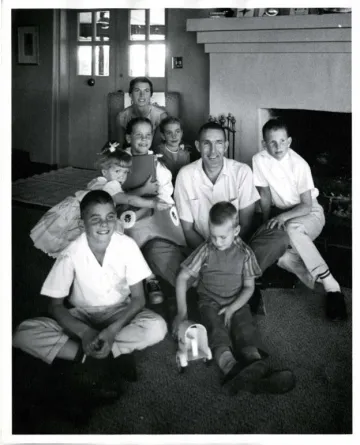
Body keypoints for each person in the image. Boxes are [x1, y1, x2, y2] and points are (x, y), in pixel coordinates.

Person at [13, 190, 168, 420]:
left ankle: (90, 354)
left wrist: (111, 331)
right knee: (23, 333)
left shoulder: (127, 246)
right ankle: (96, 356)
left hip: (119, 313)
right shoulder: (71, 252)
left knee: (157, 327)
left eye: (110, 216)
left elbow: (138, 299)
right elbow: (55, 305)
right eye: (95, 218)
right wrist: (85, 333)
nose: (104, 224)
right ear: (82, 221)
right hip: (81, 316)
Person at [143, 122, 290, 313]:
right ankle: (235, 287)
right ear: (197, 146)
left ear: (226, 146)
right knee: (154, 249)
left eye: (219, 143)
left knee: (278, 236)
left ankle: (211, 286)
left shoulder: (242, 172)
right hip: (199, 252)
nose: (213, 150)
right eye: (207, 143)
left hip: (237, 251)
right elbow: (187, 229)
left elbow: (245, 224)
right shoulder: (185, 175)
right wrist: (210, 255)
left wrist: (228, 256)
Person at [173, 202, 295, 395]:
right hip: (209, 302)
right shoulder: (206, 249)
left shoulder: (245, 253)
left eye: (222, 237)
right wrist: (182, 313)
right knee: (216, 330)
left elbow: (248, 287)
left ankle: (256, 366)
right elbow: (182, 277)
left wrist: (232, 308)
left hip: (236, 301)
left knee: (245, 327)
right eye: (213, 236)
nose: (217, 242)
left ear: (236, 230)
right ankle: (231, 368)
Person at [30, 141, 170, 303]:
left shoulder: (101, 181)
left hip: (80, 215)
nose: (121, 176)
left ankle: (78, 279)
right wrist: (153, 203)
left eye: (125, 173)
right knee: (101, 245)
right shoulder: (111, 185)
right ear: (105, 171)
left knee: (81, 247)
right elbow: (126, 197)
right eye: (117, 171)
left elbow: (119, 195)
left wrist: (143, 190)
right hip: (86, 218)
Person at [252, 118, 347, 321]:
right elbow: (265, 194)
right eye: (272, 142)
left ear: (289, 141)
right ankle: (317, 278)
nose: (278, 147)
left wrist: (282, 217)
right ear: (264, 143)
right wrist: (266, 223)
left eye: (282, 141)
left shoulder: (299, 164)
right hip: (283, 216)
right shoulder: (258, 160)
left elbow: (306, 205)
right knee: (280, 256)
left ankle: (331, 285)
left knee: (294, 229)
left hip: (309, 213)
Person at [116, 77, 168, 149]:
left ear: (151, 95)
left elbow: (157, 147)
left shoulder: (161, 116)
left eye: (146, 91)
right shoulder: (122, 116)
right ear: (130, 95)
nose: (142, 95)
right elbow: (119, 146)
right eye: (137, 90)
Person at [155, 116, 192, 182]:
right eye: (169, 133)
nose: (174, 136)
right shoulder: (158, 153)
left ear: (182, 133)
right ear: (163, 136)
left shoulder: (186, 153)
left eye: (177, 131)